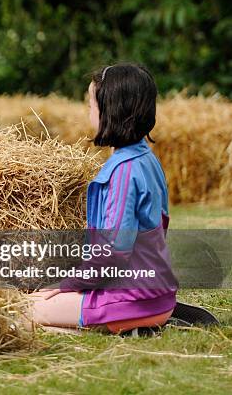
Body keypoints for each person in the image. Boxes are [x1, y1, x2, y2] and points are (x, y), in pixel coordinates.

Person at [23, 63, 178, 333]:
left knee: (19, 308)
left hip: (129, 302)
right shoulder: (146, 159)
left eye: (90, 106)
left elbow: (114, 252)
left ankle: (97, 323)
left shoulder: (122, 171)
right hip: (157, 296)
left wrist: (67, 285)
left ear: (111, 111)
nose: (88, 113)